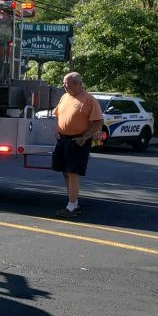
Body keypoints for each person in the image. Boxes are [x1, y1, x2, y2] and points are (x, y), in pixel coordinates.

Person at [51, 72, 104, 218]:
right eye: (64, 83)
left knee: (73, 173)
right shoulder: (65, 97)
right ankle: (73, 202)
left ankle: (72, 207)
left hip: (78, 141)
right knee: (66, 173)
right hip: (63, 140)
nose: (64, 86)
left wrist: (85, 137)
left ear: (77, 84)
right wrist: (57, 130)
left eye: (66, 83)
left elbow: (98, 122)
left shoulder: (89, 100)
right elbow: (58, 115)